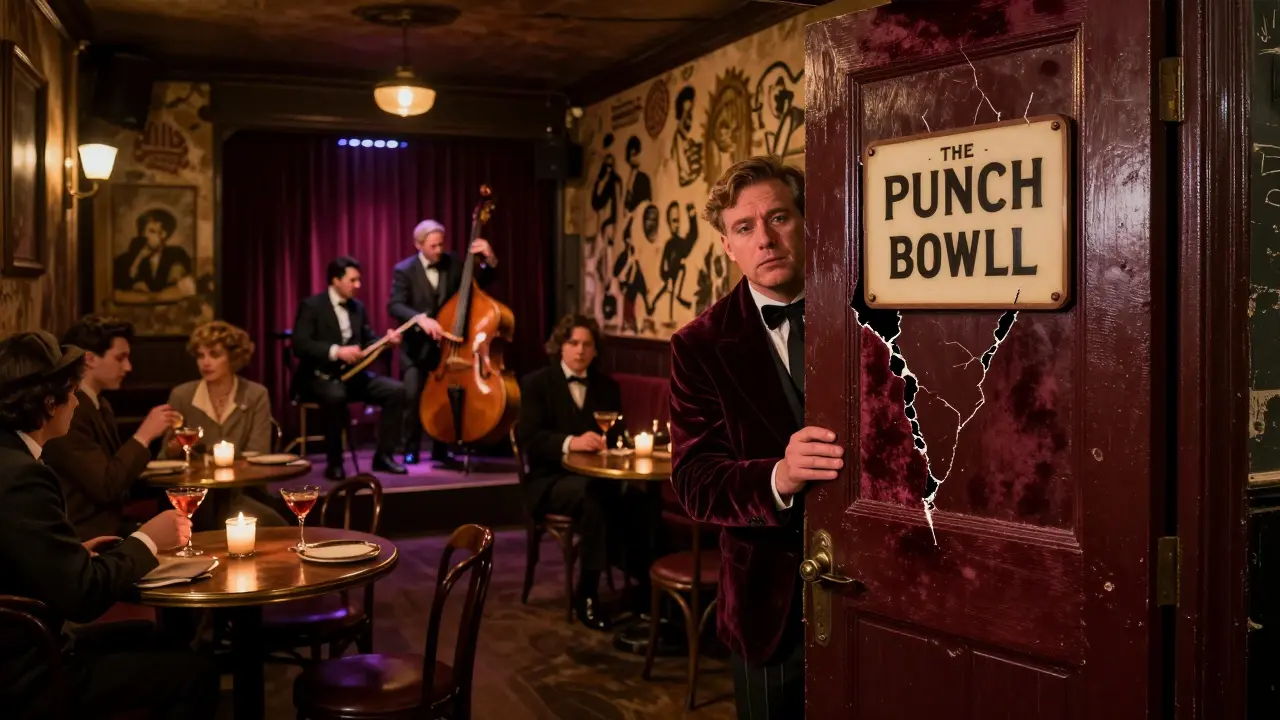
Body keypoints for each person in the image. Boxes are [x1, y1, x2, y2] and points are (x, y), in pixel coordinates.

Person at [669, 156, 844, 718]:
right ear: (728, 245)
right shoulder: (697, 344)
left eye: (779, 218)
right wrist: (778, 477)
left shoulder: (867, 311)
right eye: (745, 228)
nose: (765, 238)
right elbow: (694, 482)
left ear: (807, 220)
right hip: (768, 606)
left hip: (873, 585)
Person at [0, 330, 218, 719]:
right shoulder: (22, 475)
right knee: (195, 671)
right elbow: (83, 598)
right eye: (72, 391)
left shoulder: (11, 456)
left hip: (25, 639)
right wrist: (149, 539)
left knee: (157, 637)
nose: (77, 402)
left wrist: (75, 554)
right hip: (26, 669)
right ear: (50, 403)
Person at [516, 314, 649, 630]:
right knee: (595, 500)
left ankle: (646, 589)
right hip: (551, 481)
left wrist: (619, 446)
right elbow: (530, 439)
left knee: (642, 500)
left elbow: (618, 438)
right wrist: (571, 442)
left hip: (600, 478)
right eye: (573, 343)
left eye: (587, 345)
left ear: (595, 350)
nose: (580, 351)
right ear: (560, 346)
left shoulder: (607, 387)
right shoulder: (536, 384)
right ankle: (586, 592)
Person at [45, 316, 181, 540]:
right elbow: (106, 486)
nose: (128, 367)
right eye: (121, 358)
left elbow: (119, 479)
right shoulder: (68, 410)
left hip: (112, 524)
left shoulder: (100, 404)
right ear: (89, 359)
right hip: (85, 535)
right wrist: (144, 435)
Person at [387, 220, 498, 467]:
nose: (439, 250)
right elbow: (394, 305)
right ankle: (410, 448)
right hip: (415, 349)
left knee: (446, 397)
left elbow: (483, 282)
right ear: (418, 245)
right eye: (433, 246)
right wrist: (420, 319)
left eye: (441, 245)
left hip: (447, 349)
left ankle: (441, 448)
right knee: (413, 396)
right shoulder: (403, 270)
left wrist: (487, 259)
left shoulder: (454, 263)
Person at [291, 255, 409, 480]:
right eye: (353, 280)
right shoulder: (312, 306)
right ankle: (335, 463)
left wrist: (386, 341)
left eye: (358, 280)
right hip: (320, 377)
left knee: (397, 391)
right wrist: (336, 351)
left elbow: (367, 341)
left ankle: (383, 456)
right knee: (335, 397)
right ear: (336, 280)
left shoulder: (357, 308)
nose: (358, 285)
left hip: (352, 377)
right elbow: (300, 344)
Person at [161, 320, 287, 526]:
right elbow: (166, 456)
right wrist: (174, 448)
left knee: (267, 522)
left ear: (233, 358)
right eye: (200, 356)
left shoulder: (255, 394)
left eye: (214, 355)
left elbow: (258, 453)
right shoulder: (182, 395)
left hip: (246, 491)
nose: (205, 363)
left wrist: (204, 454)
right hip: (194, 495)